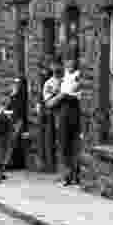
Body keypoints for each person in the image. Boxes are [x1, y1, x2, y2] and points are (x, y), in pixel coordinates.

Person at [51, 57, 83, 185]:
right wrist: (59, 93)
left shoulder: (78, 75)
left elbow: (76, 91)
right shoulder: (63, 76)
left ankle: (75, 175)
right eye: (67, 61)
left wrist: (66, 93)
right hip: (63, 109)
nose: (69, 63)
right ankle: (67, 175)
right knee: (64, 144)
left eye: (71, 61)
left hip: (73, 107)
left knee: (74, 144)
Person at [41, 57, 64, 173]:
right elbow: (49, 103)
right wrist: (62, 95)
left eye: (58, 65)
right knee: (59, 143)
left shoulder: (67, 79)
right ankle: (60, 171)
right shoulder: (49, 83)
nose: (56, 68)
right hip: (56, 116)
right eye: (54, 65)